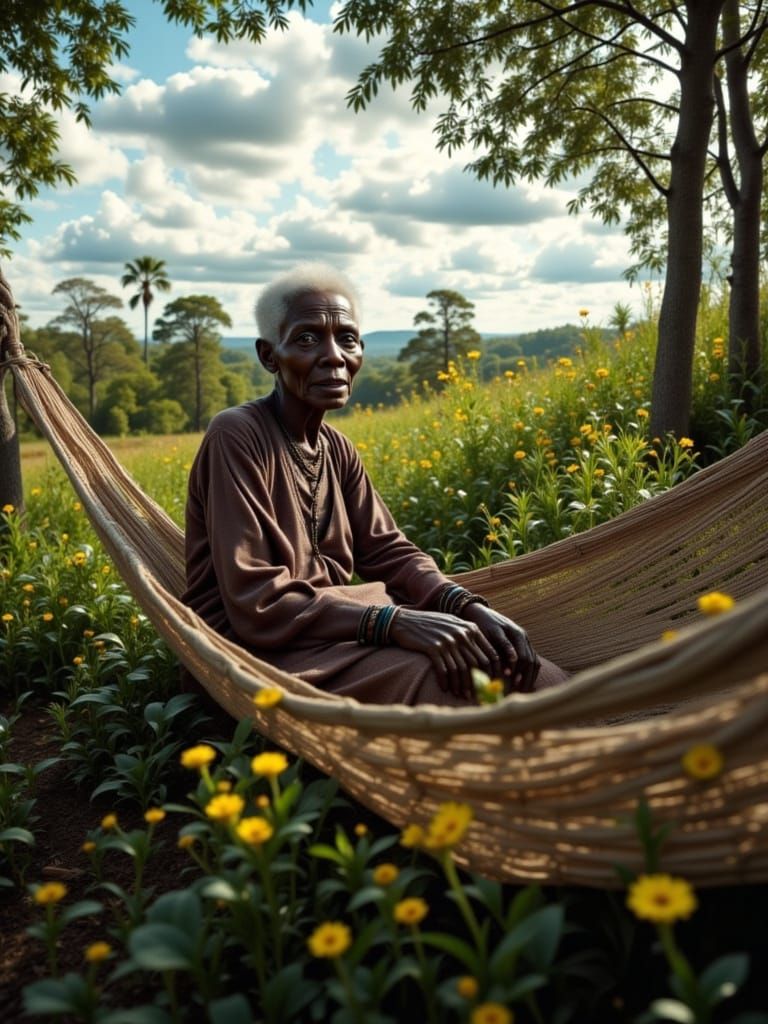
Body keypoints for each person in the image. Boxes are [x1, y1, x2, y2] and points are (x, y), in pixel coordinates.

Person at [183, 264, 568, 706]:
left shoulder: (337, 448)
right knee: (459, 685)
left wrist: (466, 606)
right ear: (269, 356)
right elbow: (256, 601)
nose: (334, 356)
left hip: (340, 632)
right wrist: (395, 623)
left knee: (532, 674)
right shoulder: (236, 434)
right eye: (307, 339)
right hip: (259, 655)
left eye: (346, 338)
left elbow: (389, 552)